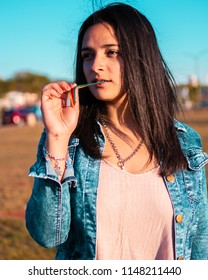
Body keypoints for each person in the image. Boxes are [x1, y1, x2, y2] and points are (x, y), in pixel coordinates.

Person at [26, 2, 208, 260]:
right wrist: (56, 138)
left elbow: (200, 243)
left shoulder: (186, 142)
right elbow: (47, 235)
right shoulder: (69, 140)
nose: (95, 65)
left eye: (112, 52)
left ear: (142, 57)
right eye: (88, 55)